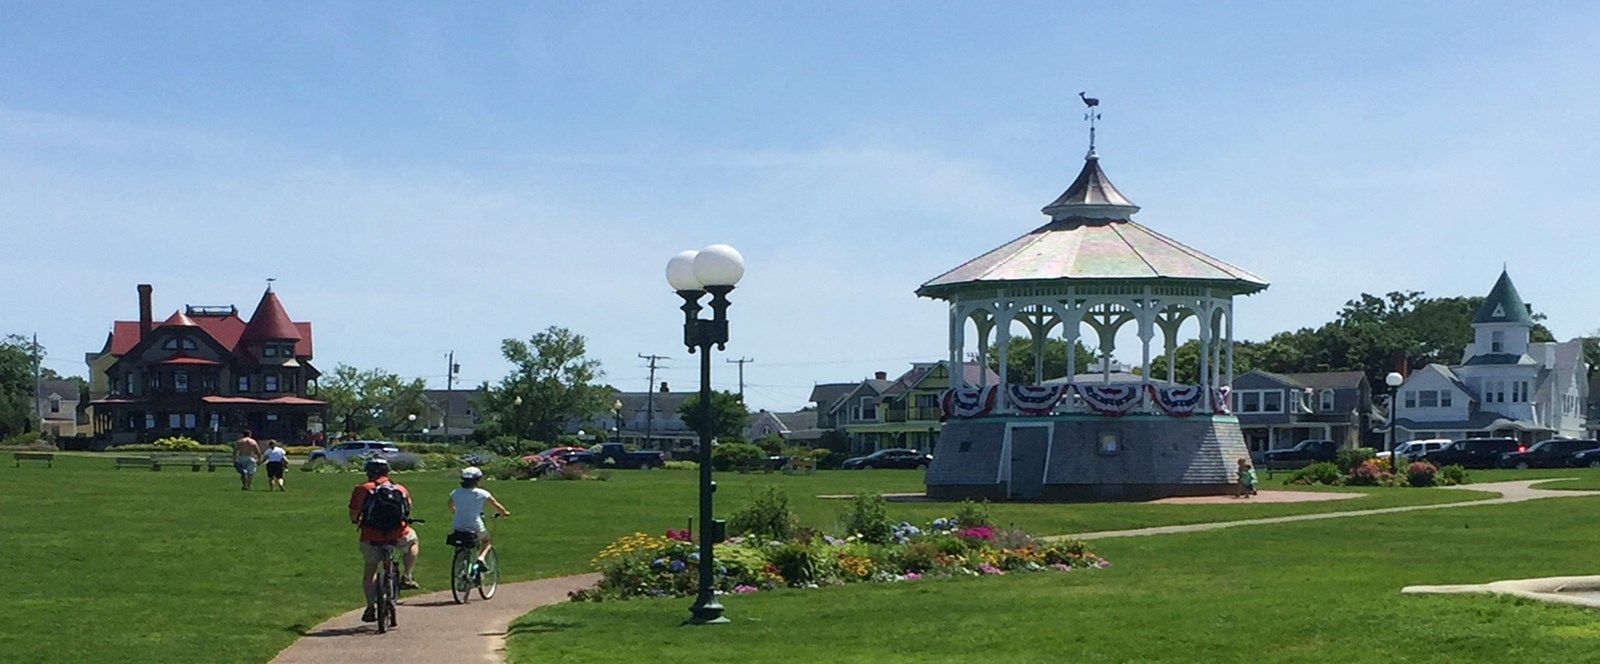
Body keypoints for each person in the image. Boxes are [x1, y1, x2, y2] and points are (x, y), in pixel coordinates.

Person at [349, 458, 419, 623]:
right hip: (398, 533)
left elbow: (353, 515)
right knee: (413, 541)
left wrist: (357, 521)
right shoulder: (400, 489)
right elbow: (407, 509)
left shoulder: (362, 489)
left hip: (371, 535)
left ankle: (370, 606)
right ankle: (408, 575)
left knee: (370, 570)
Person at [448, 466, 510, 578]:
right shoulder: (482, 493)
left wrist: (456, 511)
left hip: (458, 525)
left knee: (460, 546)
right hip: (474, 526)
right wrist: (504, 513)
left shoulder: (456, 492)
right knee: (486, 541)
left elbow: (450, 505)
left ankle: (460, 573)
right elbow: (497, 505)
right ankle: (481, 559)